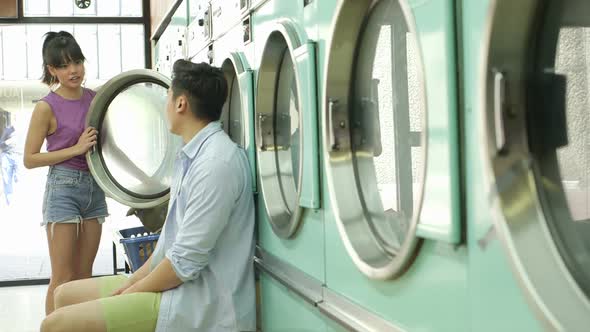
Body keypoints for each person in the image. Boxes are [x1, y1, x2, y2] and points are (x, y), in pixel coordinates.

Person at [40, 60, 256, 332]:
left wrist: (131, 293)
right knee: (64, 295)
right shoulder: (191, 154)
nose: (164, 104)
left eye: (167, 96)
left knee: (55, 325)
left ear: (180, 104)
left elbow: (183, 265)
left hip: (199, 301)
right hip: (179, 284)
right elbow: (167, 249)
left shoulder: (216, 164)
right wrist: (131, 283)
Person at [23, 31, 108, 315]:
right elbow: (30, 159)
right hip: (63, 190)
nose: (73, 70)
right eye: (64, 65)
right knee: (62, 279)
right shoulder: (47, 107)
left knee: (84, 277)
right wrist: (76, 148)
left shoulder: (96, 99)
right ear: (52, 70)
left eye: (77, 62)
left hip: (94, 190)